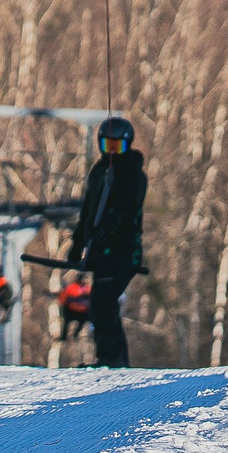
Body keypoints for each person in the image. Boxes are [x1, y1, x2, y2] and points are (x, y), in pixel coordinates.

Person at [67, 114, 147, 367]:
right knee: (100, 305)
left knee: (103, 303)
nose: (112, 152)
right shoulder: (99, 171)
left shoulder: (133, 174)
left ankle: (113, 360)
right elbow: (89, 209)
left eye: (118, 147)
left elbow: (125, 208)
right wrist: (78, 244)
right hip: (100, 251)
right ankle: (110, 358)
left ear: (128, 145)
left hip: (122, 252)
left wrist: (107, 229)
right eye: (107, 146)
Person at [58, 274, 93, 344]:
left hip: (82, 312)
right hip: (71, 310)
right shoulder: (71, 287)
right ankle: (64, 336)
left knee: (85, 319)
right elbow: (63, 298)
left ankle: (76, 334)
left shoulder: (88, 289)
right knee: (67, 321)